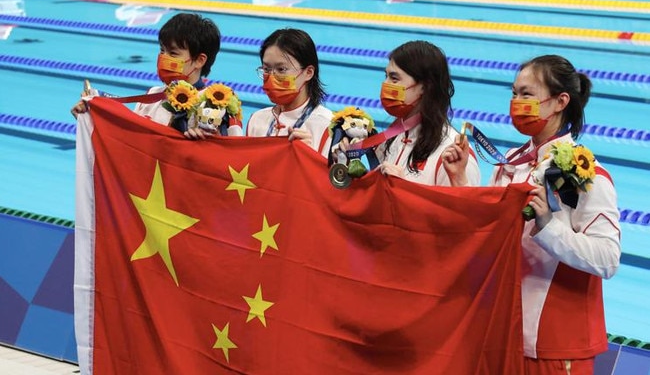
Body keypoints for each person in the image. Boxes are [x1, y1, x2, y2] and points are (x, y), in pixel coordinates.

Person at [445, 55, 621, 374]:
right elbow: (489, 230)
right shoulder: (513, 161)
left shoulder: (589, 174)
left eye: (527, 94)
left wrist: (550, 228)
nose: (516, 102)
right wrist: (459, 181)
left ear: (559, 101)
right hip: (502, 325)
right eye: (514, 93)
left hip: (556, 341)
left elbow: (608, 259)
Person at [71, 12, 242, 139]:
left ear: (199, 60)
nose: (163, 58)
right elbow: (128, 143)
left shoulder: (216, 104)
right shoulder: (152, 95)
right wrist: (89, 120)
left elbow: (229, 158)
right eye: (162, 51)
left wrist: (211, 142)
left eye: (173, 53)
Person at [362, 40, 480, 186]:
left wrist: (405, 189)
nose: (385, 85)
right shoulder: (393, 138)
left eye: (394, 78)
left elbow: (462, 208)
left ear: (425, 86)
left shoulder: (453, 155)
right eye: (385, 76)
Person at [246, 28, 333, 157]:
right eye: (266, 69)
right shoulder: (257, 120)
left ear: (308, 72)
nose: (271, 77)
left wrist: (310, 159)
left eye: (281, 69)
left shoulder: (328, 127)